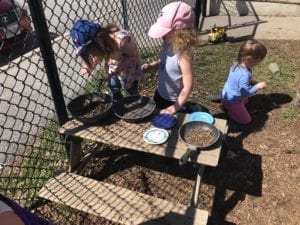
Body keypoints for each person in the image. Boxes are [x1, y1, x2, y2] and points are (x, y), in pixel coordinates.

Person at [142, 1, 199, 114]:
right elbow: (165, 62)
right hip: (160, 93)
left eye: (165, 32)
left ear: (181, 34)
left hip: (174, 100)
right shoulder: (167, 44)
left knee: (169, 125)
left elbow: (188, 85)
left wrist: (175, 107)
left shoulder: (183, 55)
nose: (162, 35)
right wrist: (151, 66)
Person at [70, 19, 144, 102]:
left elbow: (134, 56)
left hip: (130, 67)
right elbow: (96, 57)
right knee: (113, 84)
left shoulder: (122, 41)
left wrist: (119, 69)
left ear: (98, 40)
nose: (91, 55)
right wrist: (88, 67)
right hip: (114, 66)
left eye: (90, 51)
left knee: (130, 87)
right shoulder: (101, 45)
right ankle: (117, 100)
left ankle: (136, 99)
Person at [221, 39, 268, 124]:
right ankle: (231, 112)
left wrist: (252, 82)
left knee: (246, 101)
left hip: (226, 95)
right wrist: (258, 86)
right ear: (249, 59)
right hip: (232, 101)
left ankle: (234, 107)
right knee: (247, 120)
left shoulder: (237, 63)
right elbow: (245, 92)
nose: (260, 62)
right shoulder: (244, 75)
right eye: (259, 60)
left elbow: (237, 81)